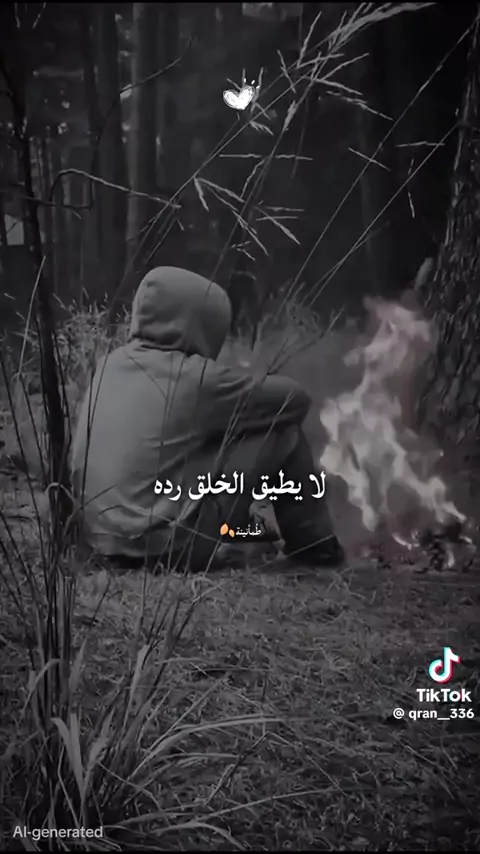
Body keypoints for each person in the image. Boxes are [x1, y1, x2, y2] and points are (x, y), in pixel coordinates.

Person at [72, 266, 344, 573]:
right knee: (282, 433)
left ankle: (251, 536)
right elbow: (295, 398)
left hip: (99, 540)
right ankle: (315, 549)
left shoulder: (109, 365)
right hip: (165, 548)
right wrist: (241, 382)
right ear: (203, 323)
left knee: (200, 450)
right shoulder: (196, 379)